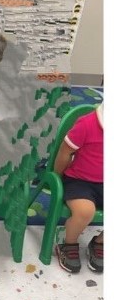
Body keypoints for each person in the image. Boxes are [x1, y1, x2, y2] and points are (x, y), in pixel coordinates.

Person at [54, 103, 103, 273]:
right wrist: (57, 177)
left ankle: (100, 242)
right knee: (84, 211)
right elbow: (64, 152)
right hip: (79, 180)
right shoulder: (87, 124)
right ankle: (69, 243)